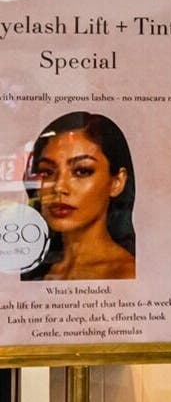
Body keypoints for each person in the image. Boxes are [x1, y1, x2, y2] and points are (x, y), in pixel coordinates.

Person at [21, 112, 136, 281]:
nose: (59, 186)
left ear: (117, 182)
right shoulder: (32, 269)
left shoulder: (126, 274)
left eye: (82, 171)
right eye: (47, 172)